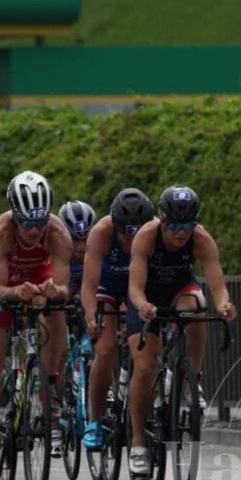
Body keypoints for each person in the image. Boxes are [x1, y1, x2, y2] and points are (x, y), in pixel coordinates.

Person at [126, 185, 237, 475]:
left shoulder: (201, 239)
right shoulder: (146, 237)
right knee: (146, 367)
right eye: (174, 225)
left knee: (197, 307)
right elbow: (135, 288)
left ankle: (191, 379)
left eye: (187, 225)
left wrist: (224, 304)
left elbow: (217, 285)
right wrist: (143, 305)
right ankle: (138, 442)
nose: (180, 233)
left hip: (180, 289)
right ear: (162, 221)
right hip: (147, 296)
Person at [0, 171, 73, 479]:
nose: (34, 230)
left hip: (40, 276)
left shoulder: (58, 234)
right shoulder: (1, 232)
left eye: (40, 222)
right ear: (15, 217)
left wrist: (55, 291)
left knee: (54, 308)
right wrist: (15, 292)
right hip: (4, 285)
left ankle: (49, 383)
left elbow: (65, 287)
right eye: (28, 223)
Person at [79, 187, 154, 451]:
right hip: (106, 288)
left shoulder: (155, 231)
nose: (133, 241)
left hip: (140, 288)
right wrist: (91, 318)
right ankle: (94, 419)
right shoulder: (101, 233)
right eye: (126, 234)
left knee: (146, 352)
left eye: (138, 233)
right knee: (106, 349)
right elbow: (88, 286)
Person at [57, 200, 96, 300]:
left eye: (87, 238)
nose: (82, 246)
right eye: (74, 239)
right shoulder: (55, 251)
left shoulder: (102, 247)